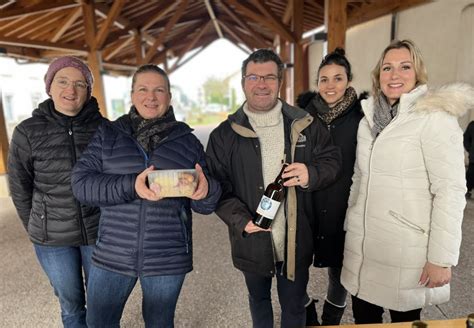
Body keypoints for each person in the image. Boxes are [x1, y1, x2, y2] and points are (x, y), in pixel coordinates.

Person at [71, 64, 221, 328]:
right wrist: (131, 186)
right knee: (99, 323)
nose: (150, 97)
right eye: (143, 89)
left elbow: (206, 205)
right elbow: (81, 184)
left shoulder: (188, 142)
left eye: (158, 90)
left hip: (168, 255)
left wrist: (206, 191)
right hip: (112, 253)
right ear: (132, 95)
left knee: (160, 323)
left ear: (169, 96)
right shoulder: (108, 135)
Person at [341, 39, 474, 324]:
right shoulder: (368, 121)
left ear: (418, 74)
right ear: (378, 75)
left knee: (405, 320)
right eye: (387, 68)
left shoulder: (435, 118)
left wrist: (441, 258)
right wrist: (350, 220)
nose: (394, 74)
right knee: (364, 318)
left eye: (405, 66)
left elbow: (450, 190)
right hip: (365, 248)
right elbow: (359, 177)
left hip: (406, 250)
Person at [206, 49, 341, 328]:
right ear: (243, 82)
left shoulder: (304, 124)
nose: (262, 84)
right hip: (251, 240)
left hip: (295, 240)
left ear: (280, 81)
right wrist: (241, 219)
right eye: (253, 76)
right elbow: (216, 186)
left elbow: (332, 161)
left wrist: (310, 174)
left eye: (269, 76)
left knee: (294, 306)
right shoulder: (224, 134)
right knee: (258, 301)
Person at [7, 56, 104, 327]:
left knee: (102, 301)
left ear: (88, 91)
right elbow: (19, 187)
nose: (70, 90)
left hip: (98, 231)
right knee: (71, 304)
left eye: (79, 84)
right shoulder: (27, 132)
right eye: (62, 81)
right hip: (52, 239)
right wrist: (35, 226)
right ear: (49, 86)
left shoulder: (104, 129)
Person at [296, 47, 365, 326]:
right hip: (306, 204)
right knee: (295, 269)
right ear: (317, 83)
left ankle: (330, 320)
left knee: (340, 271)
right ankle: (308, 314)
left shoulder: (362, 117)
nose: (330, 85)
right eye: (323, 79)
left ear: (348, 80)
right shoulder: (301, 116)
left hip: (344, 206)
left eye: (338, 78)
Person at [463, 121, 474, 198]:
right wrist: (470, 149)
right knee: (471, 175)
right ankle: (467, 190)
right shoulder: (472, 125)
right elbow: (466, 138)